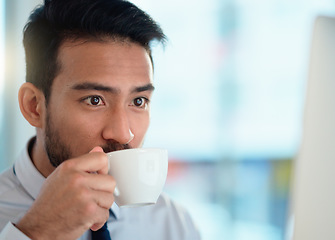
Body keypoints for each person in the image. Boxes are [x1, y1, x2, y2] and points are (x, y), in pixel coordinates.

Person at [0, 0, 201, 239]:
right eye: (94, 100)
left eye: (138, 101)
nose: (123, 133)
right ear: (34, 106)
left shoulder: (172, 223)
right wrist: (36, 233)